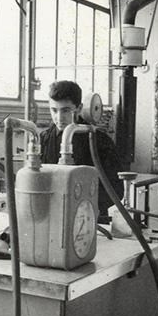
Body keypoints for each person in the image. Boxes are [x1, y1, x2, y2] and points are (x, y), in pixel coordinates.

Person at [39, 80, 126, 221]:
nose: (59, 118)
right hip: (51, 215)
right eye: (54, 110)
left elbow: (116, 189)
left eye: (66, 110)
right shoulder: (44, 139)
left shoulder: (100, 141)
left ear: (79, 108)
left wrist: (87, 206)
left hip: (89, 217)